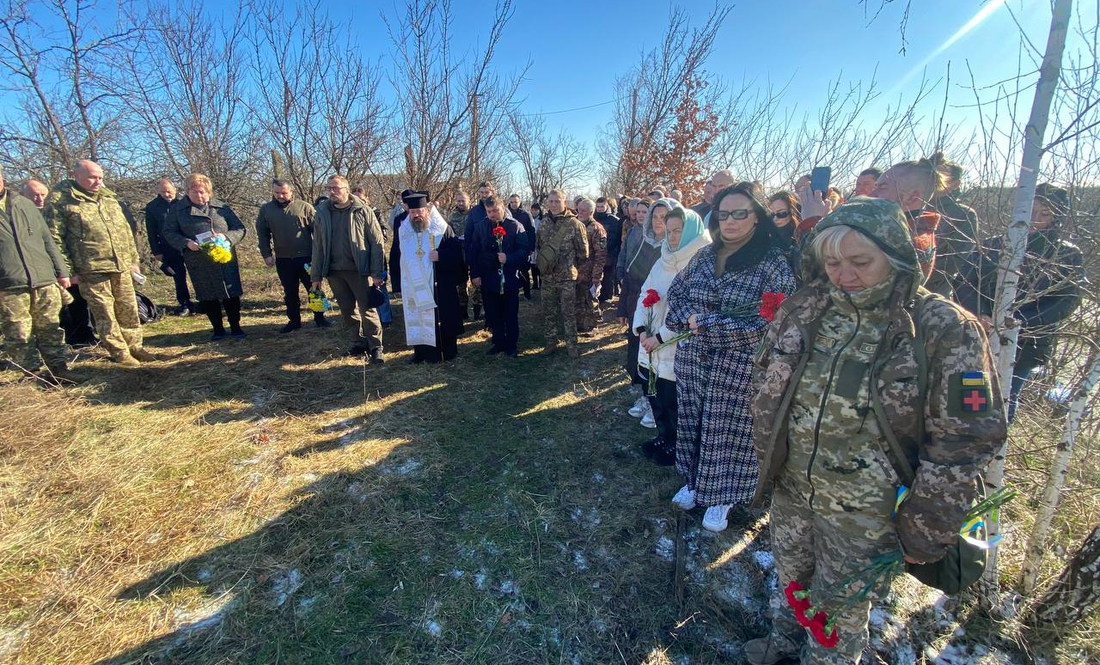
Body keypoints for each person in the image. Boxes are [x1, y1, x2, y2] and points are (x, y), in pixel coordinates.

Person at [745, 197, 1006, 665]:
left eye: (860, 262)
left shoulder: (942, 328)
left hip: (868, 510)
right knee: (790, 579)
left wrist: (929, 522)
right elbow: (767, 379)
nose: (844, 275)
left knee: (839, 609)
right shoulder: (807, 307)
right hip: (793, 488)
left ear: (896, 254)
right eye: (832, 262)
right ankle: (782, 643)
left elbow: (966, 438)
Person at [664, 183, 797, 532]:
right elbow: (676, 296)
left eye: (741, 213)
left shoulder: (772, 263)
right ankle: (694, 482)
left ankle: (723, 496)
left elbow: (772, 323)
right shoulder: (706, 256)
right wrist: (683, 319)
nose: (731, 221)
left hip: (739, 368)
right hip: (693, 361)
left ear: (757, 217)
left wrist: (705, 323)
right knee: (693, 422)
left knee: (728, 433)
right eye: (724, 214)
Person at [956, 183, 1084, 422]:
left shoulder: (1066, 255)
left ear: (1057, 217)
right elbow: (965, 282)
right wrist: (980, 315)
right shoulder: (994, 244)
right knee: (972, 394)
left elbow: (1067, 300)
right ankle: (966, 439)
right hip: (980, 333)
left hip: (1025, 343)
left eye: (1044, 214)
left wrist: (1017, 324)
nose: (1035, 219)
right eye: (1031, 211)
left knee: (1006, 396)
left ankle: (995, 450)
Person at [47, 159, 154, 365]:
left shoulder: (108, 199)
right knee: (105, 311)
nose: (98, 182)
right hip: (91, 267)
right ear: (76, 175)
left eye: (100, 178)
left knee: (128, 307)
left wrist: (133, 260)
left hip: (120, 264)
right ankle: (119, 352)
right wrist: (67, 270)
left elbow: (125, 231)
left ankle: (135, 346)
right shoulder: (62, 200)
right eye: (92, 177)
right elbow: (55, 238)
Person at [633, 204, 710, 465]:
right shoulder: (664, 258)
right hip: (651, 341)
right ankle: (663, 437)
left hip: (676, 345)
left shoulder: (701, 262)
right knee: (655, 395)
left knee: (674, 399)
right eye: (669, 231)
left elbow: (694, 309)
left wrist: (661, 337)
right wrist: (642, 329)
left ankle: (678, 446)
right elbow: (646, 292)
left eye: (678, 231)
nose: (673, 237)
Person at [0, 166, 77, 384]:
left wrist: (62, 271)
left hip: (43, 278)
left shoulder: (25, 204)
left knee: (50, 327)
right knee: (19, 332)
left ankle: (60, 369)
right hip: (8, 283)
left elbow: (47, 241)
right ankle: (32, 374)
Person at [162, 173, 248, 341]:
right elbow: (168, 232)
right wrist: (186, 243)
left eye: (203, 192)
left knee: (230, 293)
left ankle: (236, 327)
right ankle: (218, 329)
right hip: (198, 259)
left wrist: (227, 237)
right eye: (195, 192)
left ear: (209, 192)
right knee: (208, 294)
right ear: (187, 192)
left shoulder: (222, 208)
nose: (199, 196)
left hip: (224, 258)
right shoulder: (178, 210)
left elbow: (240, 228)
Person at [310, 175, 386, 362]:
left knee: (367, 309)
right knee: (347, 310)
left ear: (347, 189)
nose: (332, 192)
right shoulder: (322, 212)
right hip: (334, 271)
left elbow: (377, 243)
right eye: (329, 188)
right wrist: (316, 275)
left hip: (360, 270)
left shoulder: (362, 211)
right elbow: (318, 246)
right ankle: (358, 343)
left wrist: (376, 273)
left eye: (336, 188)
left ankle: (376, 347)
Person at [22, 178, 95, 347]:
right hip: (35, 272)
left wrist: (67, 269)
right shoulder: (18, 216)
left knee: (76, 303)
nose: (39, 199)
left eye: (42, 195)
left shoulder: (54, 212)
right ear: (22, 195)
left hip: (65, 266)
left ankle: (81, 337)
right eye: (35, 195)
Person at [866, 157, 950, 294]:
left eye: (882, 187)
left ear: (913, 197)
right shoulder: (912, 228)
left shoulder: (905, 240)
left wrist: (819, 219)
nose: (871, 194)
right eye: (875, 187)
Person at [398, 190, 464, 363]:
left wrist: (441, 256)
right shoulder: (404, 232)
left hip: (439, 283)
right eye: (413, 212)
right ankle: (421, 353)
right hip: (415, 285)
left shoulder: (442, 229)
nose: (416, 215)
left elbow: (457, 253)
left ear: (427, 211)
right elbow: (397, 258)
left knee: (444, 317)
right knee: (419, 316)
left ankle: (447, 352)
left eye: (419, 212)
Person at [257, 179, 328, 333]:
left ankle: (320, 317)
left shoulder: (305, 207)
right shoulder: (266, 210)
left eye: (284, 192)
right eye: (277, 193)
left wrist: (320, 255)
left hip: (306, 258)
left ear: (291, 191)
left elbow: (318, 233)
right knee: (290, 291)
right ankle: (294, 320)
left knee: (314, 288)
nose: (280, 196)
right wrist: (266, 254)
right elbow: (262, 234)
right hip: (283, 258)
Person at [618, 197, 663, 427]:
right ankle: (646, 397)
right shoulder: (643, 240)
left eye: (661, 217)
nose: (656, 222)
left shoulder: (674, 246)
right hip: (639, 308)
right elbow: (630, 275)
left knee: (658, 360)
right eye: (652, 216)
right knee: (639, 356)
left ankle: (658, 407)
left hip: (662, 314)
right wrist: (623, 308)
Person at [535, 189, 588, 359]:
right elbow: (539, 246)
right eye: (550, 201)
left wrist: (570, 266)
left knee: (568, 312)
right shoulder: (543, 223)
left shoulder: (575, 224)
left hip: (566, 277)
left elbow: (583, 253)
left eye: (557, 201)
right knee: (549, 311)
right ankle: (551, 342)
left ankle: (572, 346)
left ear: (565, 202)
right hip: (548, 277)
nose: (553, 205)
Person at [472, 196, 529, 357]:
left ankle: (511, 345)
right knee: (493, 314)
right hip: (489, 279)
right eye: (489, 211)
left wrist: (508, 258)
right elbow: (474, 251)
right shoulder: (481, 227)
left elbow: (524, 250)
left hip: (510, 278)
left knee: (510, 313)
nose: (492, 214)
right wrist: (474, 274)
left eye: (495, 210)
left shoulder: (515, 226)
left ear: (502, 208)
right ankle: (498, 342)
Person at [144, 178, 195, 316]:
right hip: (169, 246)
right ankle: (185, 303)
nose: (166, 194)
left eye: (169, 191)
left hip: (190, 245)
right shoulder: (152, 207)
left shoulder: (184, 203)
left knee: (197, 273)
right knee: (179, 276)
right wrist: (156, 251)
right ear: (158, 192)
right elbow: (151, 231)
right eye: (163, 192)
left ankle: (206, 300)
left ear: (175, 190)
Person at [932, 155, 980, 296]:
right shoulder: (910, 206)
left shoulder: (963, 215)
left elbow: (955, 261)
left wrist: (913, 274)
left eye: (941, 175)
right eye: (931, 174)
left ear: (955, 184)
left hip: (933, 294)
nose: (934, 179)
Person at [574, 198, 607, 334]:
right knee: (578, 299)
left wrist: (596, 277)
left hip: (590, 272)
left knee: (590, 300)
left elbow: (601, 255)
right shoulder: (575, 224)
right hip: (575, 271)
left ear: (591, 212)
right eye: (578, 209)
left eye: (583, 210)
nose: (579, 212)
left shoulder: (597, 229)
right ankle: (581, 323)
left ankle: (594, 325)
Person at [463, 181, 495, 320]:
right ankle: (481, 314)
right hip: (480, 256)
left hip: (496, 257)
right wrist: (470, 258)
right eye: (481, 193)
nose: (483, 195)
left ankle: (493, 318)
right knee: (481, 288)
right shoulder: (474, 212)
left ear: (492, 193)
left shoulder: (499, 208)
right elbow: (468, 236)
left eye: (486, 192)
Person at [448, 190, 474, 319]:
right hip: (459, 252)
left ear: (469, 200)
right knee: (461, 283)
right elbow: (449, 233)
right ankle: (463, 310)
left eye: (463, 200)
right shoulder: (453, 216)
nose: (461, 203)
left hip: (474, 250)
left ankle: (477, 309)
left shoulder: (475, 213)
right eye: (458, 201)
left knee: (476, 282)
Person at [507, 194, 535, 299]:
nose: (514, 204)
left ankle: (527, 293)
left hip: (523, 246)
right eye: (512, 202)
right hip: (509, 247)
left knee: (524, 272)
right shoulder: (506, 213)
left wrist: (531, 248)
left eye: (516, 202)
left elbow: (531, 231)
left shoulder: (526, 214)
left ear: (520, 202)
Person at [595, 196, 621, 304]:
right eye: (598, 207)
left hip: (609, 252)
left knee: (607, 275)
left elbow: (615, 237)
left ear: (607, 206)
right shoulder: (593, 218)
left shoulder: (614, 220)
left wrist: (605, 247)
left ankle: (606, 296)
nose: (600, 209)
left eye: (602, 206)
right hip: (595, 252)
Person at [528, 201, 543, 291]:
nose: (534, 211)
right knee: (532, 265)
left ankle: (541, 283)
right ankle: (535, 283)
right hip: (532, 244)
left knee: (540, 265)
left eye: (536, 210)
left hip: (540, 245)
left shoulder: (542, 220)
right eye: (533, 210)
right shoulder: (530, 219)